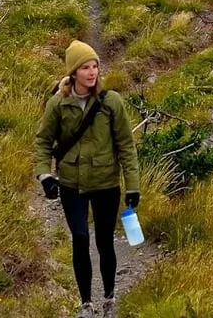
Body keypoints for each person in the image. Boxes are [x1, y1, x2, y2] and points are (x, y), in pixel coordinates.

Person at [34, 39, 140, 318]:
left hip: (106, 183)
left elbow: (126, 146)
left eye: (95, 66)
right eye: (85, 67)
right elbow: (43, 142)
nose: (92, 72)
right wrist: (45, 175)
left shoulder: (111, 102)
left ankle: (109, 297)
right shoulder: (58, 104)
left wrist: (133, 187)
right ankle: (86, 304)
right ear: (73, 72)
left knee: (104, 241)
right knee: (80, 238)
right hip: (71, 184)